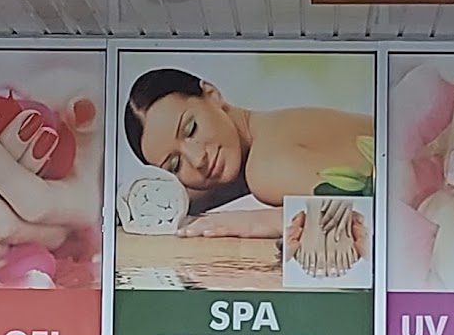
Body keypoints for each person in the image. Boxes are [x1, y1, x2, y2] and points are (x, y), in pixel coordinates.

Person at [123, 66, 372, 237]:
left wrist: (258, 222)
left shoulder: (264, 168)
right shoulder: (272, 128)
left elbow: (366, 216)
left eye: (191, 129)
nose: (197, 160)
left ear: (212, 94)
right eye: (175, 165)